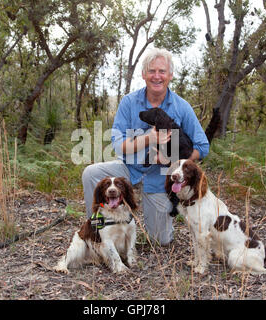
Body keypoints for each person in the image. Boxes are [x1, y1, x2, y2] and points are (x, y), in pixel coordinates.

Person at [82, 48, 209, 246]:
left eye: (162, 71)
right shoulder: (129, 102)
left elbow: (202, 146)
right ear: (143, 74)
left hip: (160, 177)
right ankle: (98, 228)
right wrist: (149, 138)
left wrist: (171, 162)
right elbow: (117, 144)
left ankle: (132, 222)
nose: (156, 76)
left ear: (170, 75)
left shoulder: (181, 107)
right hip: (128, 169)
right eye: (151, 71)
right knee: (91, 173)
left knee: (160, 241)